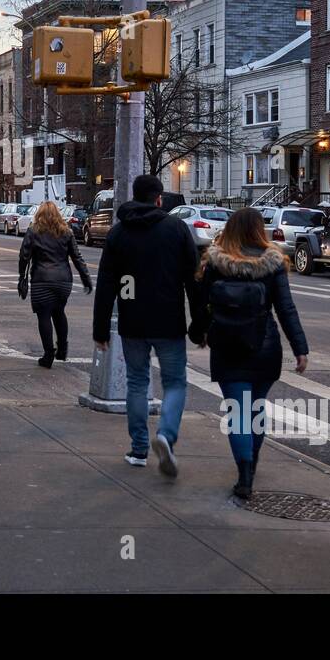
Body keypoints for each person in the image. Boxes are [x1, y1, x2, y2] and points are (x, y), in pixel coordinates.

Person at [191, 207, 309, 500]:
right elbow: (286, 308)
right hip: (264, 346)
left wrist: (199, 333)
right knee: (256, 409)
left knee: (238, 413)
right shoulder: (273, 263)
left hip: (227, 346)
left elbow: (202, 304)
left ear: (229, 229)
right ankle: (251, 464)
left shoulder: (215, 263)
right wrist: (300, 348)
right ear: (259, 230)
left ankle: (245, 475)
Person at [92, 174, 202, 477]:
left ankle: (139, 448)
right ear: (159, 199)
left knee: (137, 383)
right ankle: (166, 435)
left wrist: (100, 329)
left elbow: (106, 285)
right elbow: (194, 281)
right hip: (169, 321)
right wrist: (199, 324)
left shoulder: (118, 233)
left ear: (134, 196)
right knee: (175, 383)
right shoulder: (177, 230)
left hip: (132, 320)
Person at [19, 201, 93, 368]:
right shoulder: (66, 232)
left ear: (39, 215)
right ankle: (63, 346)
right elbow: (77, 257)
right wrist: (85, 277)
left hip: (41, 280)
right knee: (59, 312)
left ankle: (48, 354)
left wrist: (21, 277)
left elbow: (24, 256)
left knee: (44, 316)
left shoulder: (33, 232)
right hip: (63, 281)